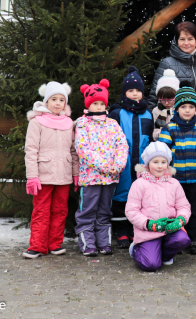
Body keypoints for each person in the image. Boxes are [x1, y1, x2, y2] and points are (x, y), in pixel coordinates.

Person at [23, 82, 78, 259]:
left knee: (60, 210)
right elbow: (31, 150)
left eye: (61, 100)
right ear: (46, 101)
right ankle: (37, 246)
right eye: (54, 99)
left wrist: (76, 174)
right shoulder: (37, 122)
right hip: (43, 175)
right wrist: (32, 177)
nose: (57, 103)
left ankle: (55, 244)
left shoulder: (69, 123)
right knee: (41, 210)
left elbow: (73, 150)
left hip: (63, 175)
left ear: (65, 103)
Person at [74, 79, 129, 256]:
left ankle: (103, 242)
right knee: (88, 210)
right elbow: (84, 150)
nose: (98, 106)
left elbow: (122, 145)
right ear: (89, 104)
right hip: (91, 177)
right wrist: (105, 166)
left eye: (101, 103)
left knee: (105, 210)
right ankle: (87, 243)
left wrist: (118, 165)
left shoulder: (112, 124)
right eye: (95, 103)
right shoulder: (83, 124)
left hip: (110, 177)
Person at [158, 83, 196, 255]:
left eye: (191, 107)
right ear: (177, 109)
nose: (187, 110)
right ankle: (178, 239)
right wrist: (165, 176)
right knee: (175, 211)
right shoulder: (169, 129)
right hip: (176, 180)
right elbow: (163, 155)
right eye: (183, 107)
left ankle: (195, 240)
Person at [126, 142, 191, 271]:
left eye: (163, 162)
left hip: (169, 229)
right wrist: (149, 224)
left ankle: (166, 255)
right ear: (148, 164)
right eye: (155, 162)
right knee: (150, 265)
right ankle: (136, 249)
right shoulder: (139, 184)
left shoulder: (174, 183)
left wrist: (180, 220)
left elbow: (183, 206)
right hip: (148, 231)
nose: (160, 166)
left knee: (183, 239)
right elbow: (131, 211)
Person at [109, 67, 154, 249]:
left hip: (142, 164)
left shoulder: (147, 113)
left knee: (140, 198)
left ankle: (137, 230)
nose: (134, 94)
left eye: (138, 91)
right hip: (123, 163)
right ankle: (121, 231)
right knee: (121, 196)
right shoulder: (116, 113)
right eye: (130, 90)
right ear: (124, 92)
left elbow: (150, 139)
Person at [148, 22, 196, 108]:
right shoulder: (167, 63)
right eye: (182, 39)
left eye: (190, 39)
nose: (186, 43)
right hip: (172, 116)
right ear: (177, 41)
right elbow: (155, 94)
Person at [151, 69, 180, 140]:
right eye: (163, 100)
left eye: (170, 100)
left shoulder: (181, 109)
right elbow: (154, 133)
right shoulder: (156, 111)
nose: (166, 103)